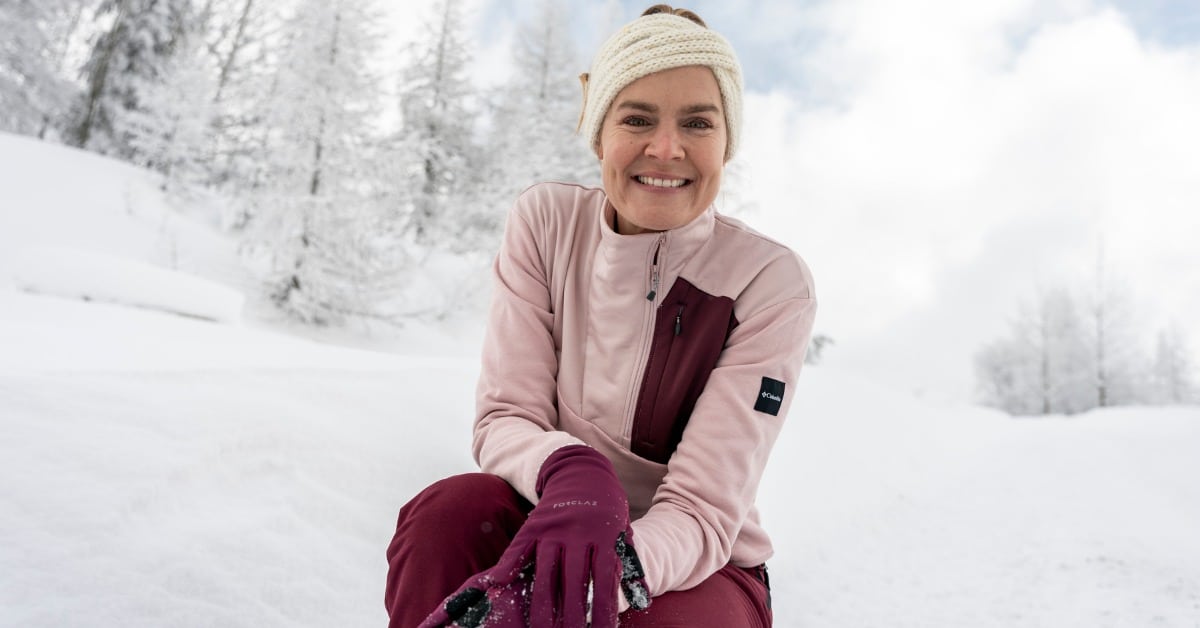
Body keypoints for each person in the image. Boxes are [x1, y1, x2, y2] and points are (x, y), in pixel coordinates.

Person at [385, 5, 816, 627]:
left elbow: (701, 510)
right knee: (448, 515)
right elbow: (508, 416)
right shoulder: (547, 224)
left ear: (726, 141)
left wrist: (585, 582)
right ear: (598, 132)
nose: (666, 149)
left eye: (698, 122)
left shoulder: (768, 283)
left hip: (694, 563)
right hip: (548, 510)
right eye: (637, 118)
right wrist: (571, 468)